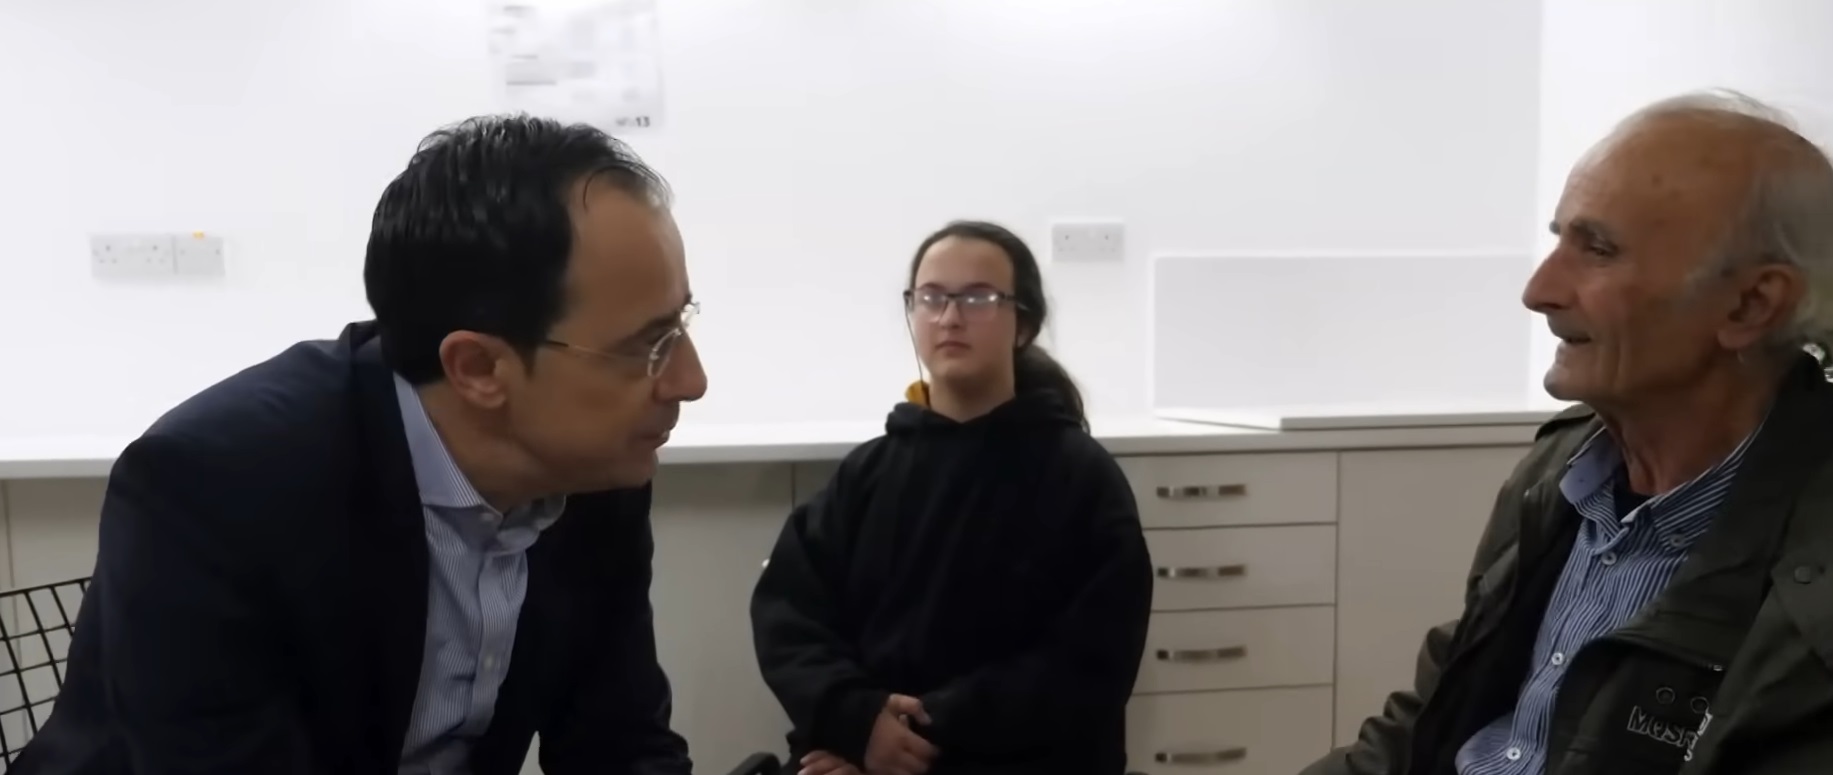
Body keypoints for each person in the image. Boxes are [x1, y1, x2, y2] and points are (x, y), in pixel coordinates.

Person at [13, 115, 707, 775]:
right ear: (477, 369)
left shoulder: (591, 471)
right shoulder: (216, 483)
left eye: (680, 325)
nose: (691, 380)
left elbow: (621, 744)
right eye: (648, 346)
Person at [1304, 90, 1833, 775]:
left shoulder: (1812, 560)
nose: (1538, 291)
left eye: (1598, 249)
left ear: (1750, 304)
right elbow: (1433, 722)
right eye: (1559, 239)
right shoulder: (1560, 470)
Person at [749, 221, 1154, 775]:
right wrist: (858, 722)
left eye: (978, 298)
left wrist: (911, 738)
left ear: (1023, 324)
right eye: (931, 297)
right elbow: (791, 618)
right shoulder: (866, 476)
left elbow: (1089, 663)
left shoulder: (1083, 480)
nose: (949, 317)